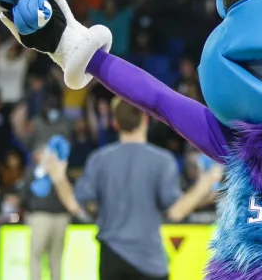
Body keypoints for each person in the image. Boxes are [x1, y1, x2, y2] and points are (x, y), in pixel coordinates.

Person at [43, 98, 223, 280]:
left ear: (115, 123)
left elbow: (75, 205)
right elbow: (177, 211)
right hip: (148, 261)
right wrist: (206, 182)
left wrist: (59, 178)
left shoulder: (99, 160)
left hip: (110, 259)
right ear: (146, 120)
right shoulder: (162, 160)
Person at [19, 145, 73, 280]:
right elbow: (24, 195)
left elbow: (70, 193)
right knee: (36, 253)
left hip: (60, 216)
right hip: (39, 216)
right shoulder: (33, 173)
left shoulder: (61, 171)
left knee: (56, 256)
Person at [88, 0, 161, 57]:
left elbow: (138, 2)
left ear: (115, 3)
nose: (109, 5)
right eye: (107, 2)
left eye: (111, 2)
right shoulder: (97, 16)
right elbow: (82, 4)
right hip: (101, 56)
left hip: (122, 56)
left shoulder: (123, 16)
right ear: (103, 3)